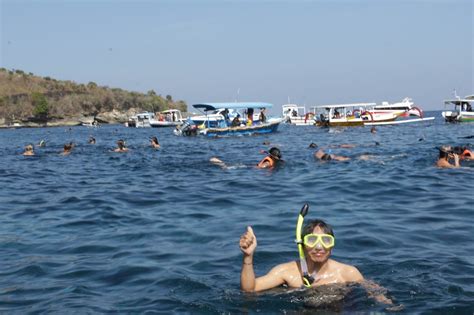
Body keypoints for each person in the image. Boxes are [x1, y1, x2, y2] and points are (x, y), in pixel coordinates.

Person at [239, 216, 393, 305]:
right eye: (312, 240)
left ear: (332, 246)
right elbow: (250, 289)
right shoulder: (286, 272)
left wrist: (389, 305)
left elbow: (374, 290)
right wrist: (248, 256)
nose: (319, 247)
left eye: (325, 241)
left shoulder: (347, 273)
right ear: (303, 245)